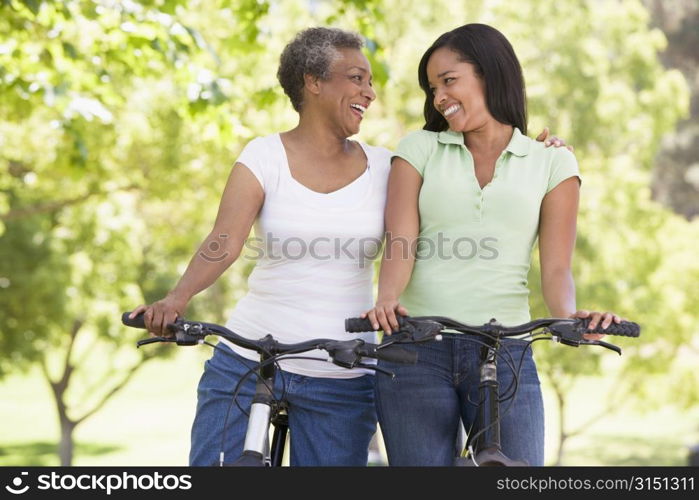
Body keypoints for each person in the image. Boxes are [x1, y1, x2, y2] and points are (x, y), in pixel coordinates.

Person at [129, 26, 567, 467]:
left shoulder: (385, 166)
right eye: (356, 78)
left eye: (371, 82)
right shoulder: (263, 156)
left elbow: (445, 204)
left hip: (342, 369)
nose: (369, 92)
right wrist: (176, 298)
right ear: (314, 82)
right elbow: (224, 242)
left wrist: (537, 152)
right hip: (248, 357)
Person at [362, 23, 623, 466]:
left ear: (490, 73)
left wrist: (569, 319)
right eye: (432, 88)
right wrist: (387, 301)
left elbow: (557, 267)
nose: (439, 97)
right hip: (415, 350)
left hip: (506, 352)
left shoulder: (553, 161)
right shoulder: (419, 148)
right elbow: (401, 240)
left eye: (449, 80)